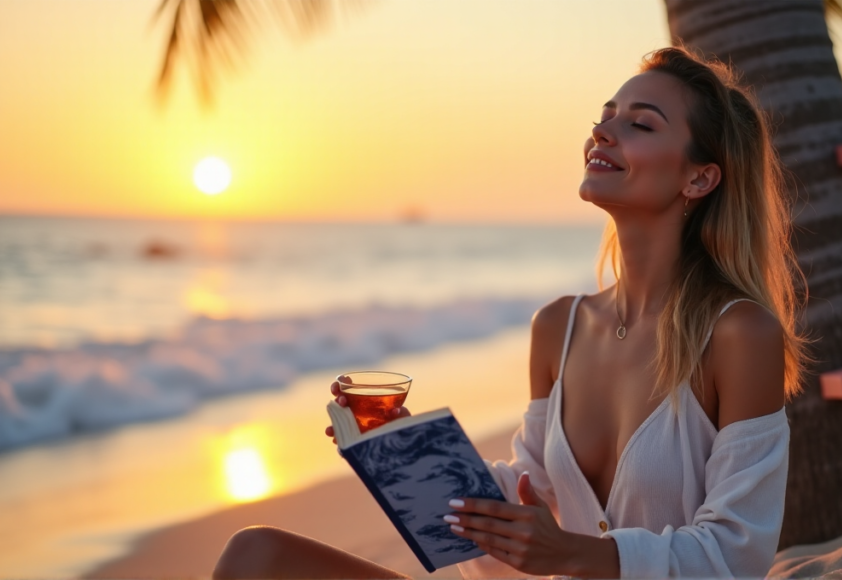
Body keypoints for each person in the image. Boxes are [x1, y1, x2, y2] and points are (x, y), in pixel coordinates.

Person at [212, 45, 808, 579]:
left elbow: (735, 556)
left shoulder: (738, 333)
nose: (602, 132)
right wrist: (408, 457)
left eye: (639, 124)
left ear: (699, 178)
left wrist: (571, 554)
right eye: (604, 117)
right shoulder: (558, 328)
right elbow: (523, 509)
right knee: (256, 553)